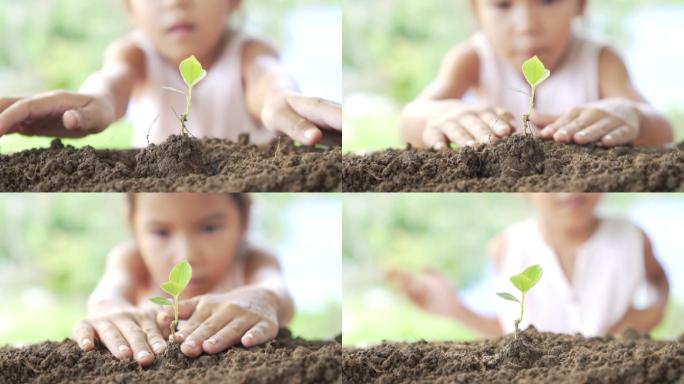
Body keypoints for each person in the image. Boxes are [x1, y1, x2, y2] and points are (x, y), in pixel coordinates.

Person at [0, 0, 341, 147]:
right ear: (129, 6)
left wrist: (278, 99)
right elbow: (111, 81)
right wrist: (95, 100)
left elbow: (268, 79)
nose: (175, 1)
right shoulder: (134, 53)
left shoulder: (250, 51)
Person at [399, 0, 673, 150]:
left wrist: (633, 115)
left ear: (580, 5)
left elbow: (663, 130)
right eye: (503, 5)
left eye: (548, 0)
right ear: (476, 10)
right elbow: (409, 120)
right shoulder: (472, 58)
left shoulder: (601, 59)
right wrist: (436, 115)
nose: (527, 25)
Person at [387, 193, 669, 338]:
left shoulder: (631, 237)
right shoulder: (508, 247)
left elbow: (658, 280)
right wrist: (457, 311)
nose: (571, 187)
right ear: (522, 189)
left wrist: (653, 312)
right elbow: (514, 337)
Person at [71, 193, 294, 367]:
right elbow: (110, 290)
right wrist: (105, 306)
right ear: (133, 225)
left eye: (209, 228)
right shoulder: (131, 260)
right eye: (160, 232)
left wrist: (264, 299)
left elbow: (276, 291)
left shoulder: (252, 259)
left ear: (244, 218)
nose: (185, 256)